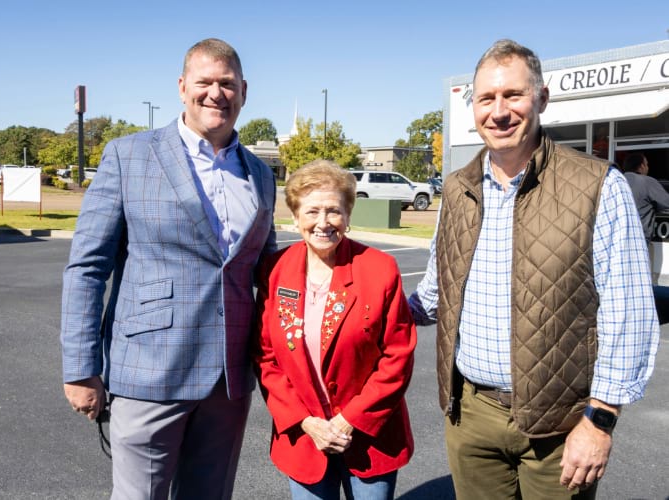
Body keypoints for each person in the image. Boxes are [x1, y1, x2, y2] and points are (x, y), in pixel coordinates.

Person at [409, 39, 659, 499]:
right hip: (472, 417)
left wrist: (600, 421)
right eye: (486, 99)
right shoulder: (458, 189)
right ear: (474, 107)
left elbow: (629, 317)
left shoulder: (598, 186)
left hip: (561, 424)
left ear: (541, 99)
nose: (499, 111)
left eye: (513, 95)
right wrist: (368, 301)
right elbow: (436, 292)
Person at [61, 38, 277, 500]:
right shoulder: (128, 155)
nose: (216, 93)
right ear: (182, 87)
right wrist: (80, 368)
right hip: (148, 374)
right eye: (204, 82)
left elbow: (269, 269)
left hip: (229, 379)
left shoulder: (259, 174)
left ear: (244, 90)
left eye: (227, 84)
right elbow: (87, 267)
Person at [255, 160, 416, 499]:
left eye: (334, 211)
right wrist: (306, 421)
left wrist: (348, 420)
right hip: (303, 438)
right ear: (296, 217)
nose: (323, 222)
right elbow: (266, 357)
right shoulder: (274, 270)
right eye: (312, 211)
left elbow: (397, 358)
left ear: (348, 215)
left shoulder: (379, 268)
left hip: (370, 437)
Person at [623, 152, 669, 246]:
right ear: (641, 166)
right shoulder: (646, 181)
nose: (648, 168)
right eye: (647, 164)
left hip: (614, 238)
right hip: (638, 239)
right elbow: (666, 203)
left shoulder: (615, 181)